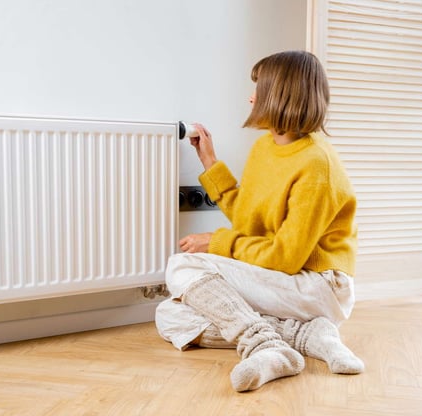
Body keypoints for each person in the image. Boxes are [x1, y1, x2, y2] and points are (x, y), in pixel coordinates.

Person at [155, 50, 364, 392]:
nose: (251, 97)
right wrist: (209, 162)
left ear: (280, 95)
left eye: (260, 88)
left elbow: (287, 257)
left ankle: (265, 346)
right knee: (170, 315)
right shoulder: (264, 149)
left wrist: (216, 243)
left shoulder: (317, 165)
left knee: (183, 267)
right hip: (282, 280)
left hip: (319, 284)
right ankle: (305, 335)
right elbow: (248, 223)